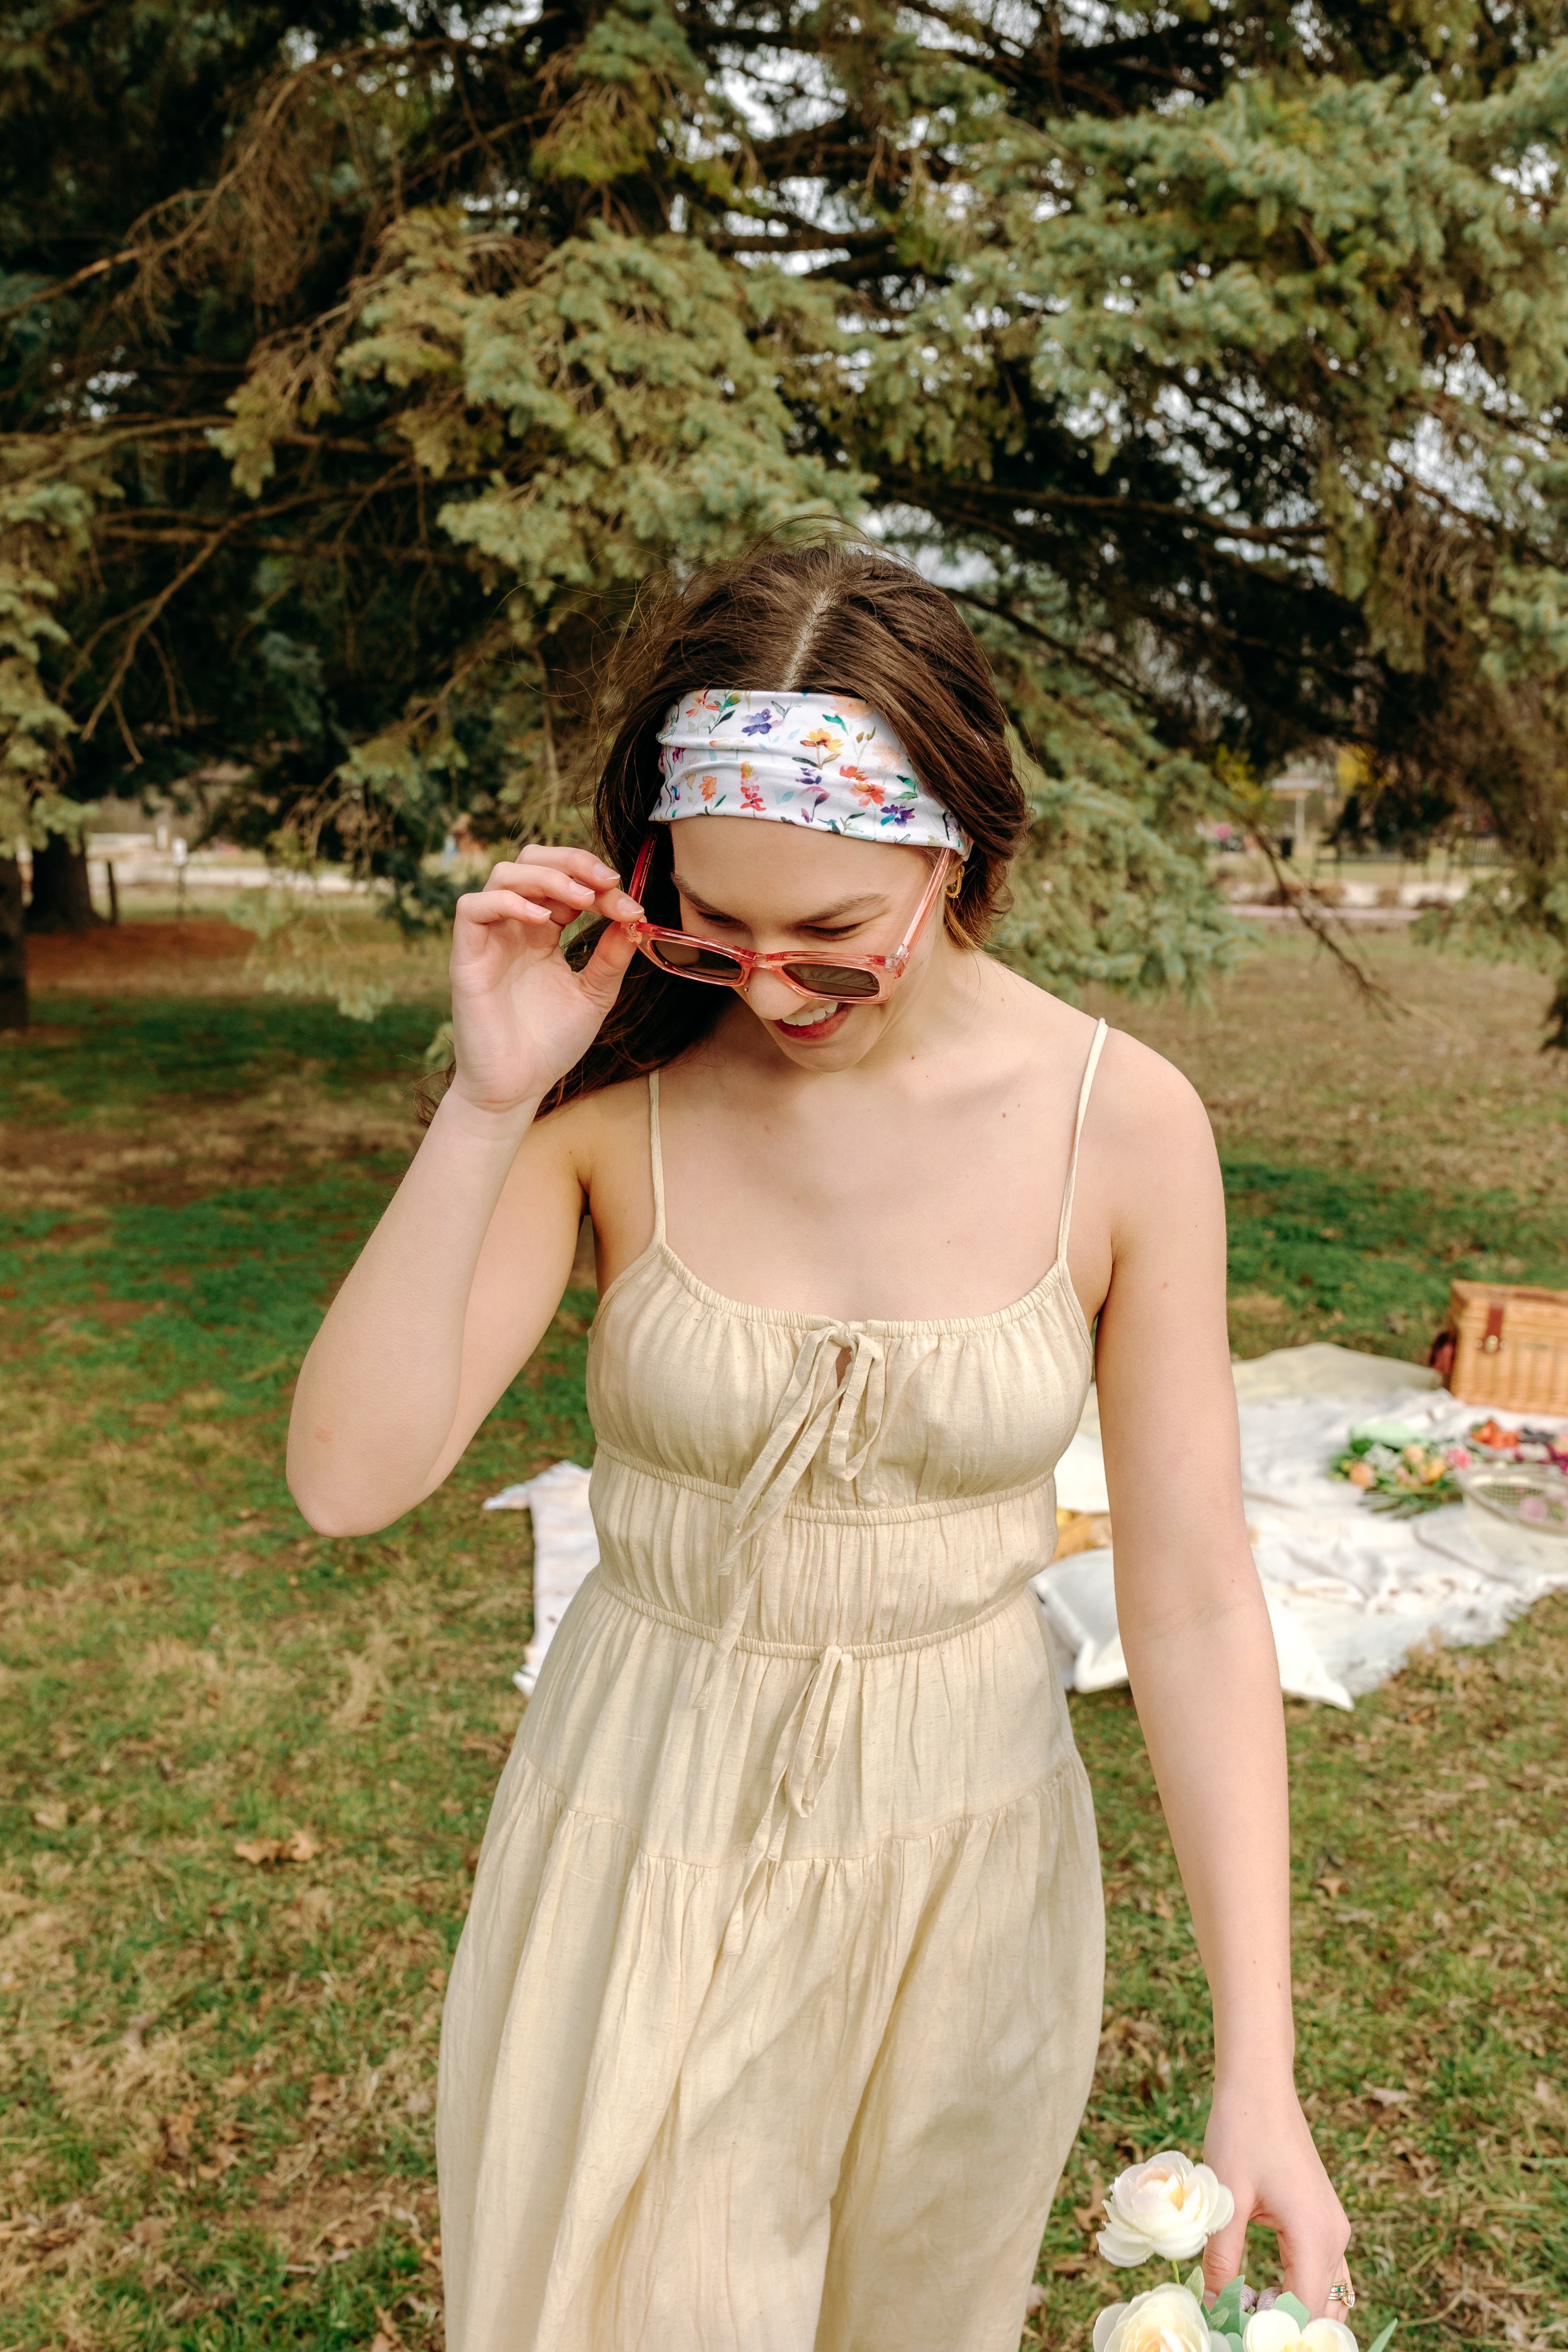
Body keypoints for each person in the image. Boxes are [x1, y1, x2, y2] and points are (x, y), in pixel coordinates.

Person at [288, 539, 1351, 2352]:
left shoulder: (1125, 1126)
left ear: (956, 855)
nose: (772, 996)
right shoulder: (613, 1104)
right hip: (645, 1842)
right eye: (715, 932)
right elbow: (349, 1477)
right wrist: (486, 1104)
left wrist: (1265, 2070)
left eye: (834, 944)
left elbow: (1186, 1604)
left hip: (972, 1876)